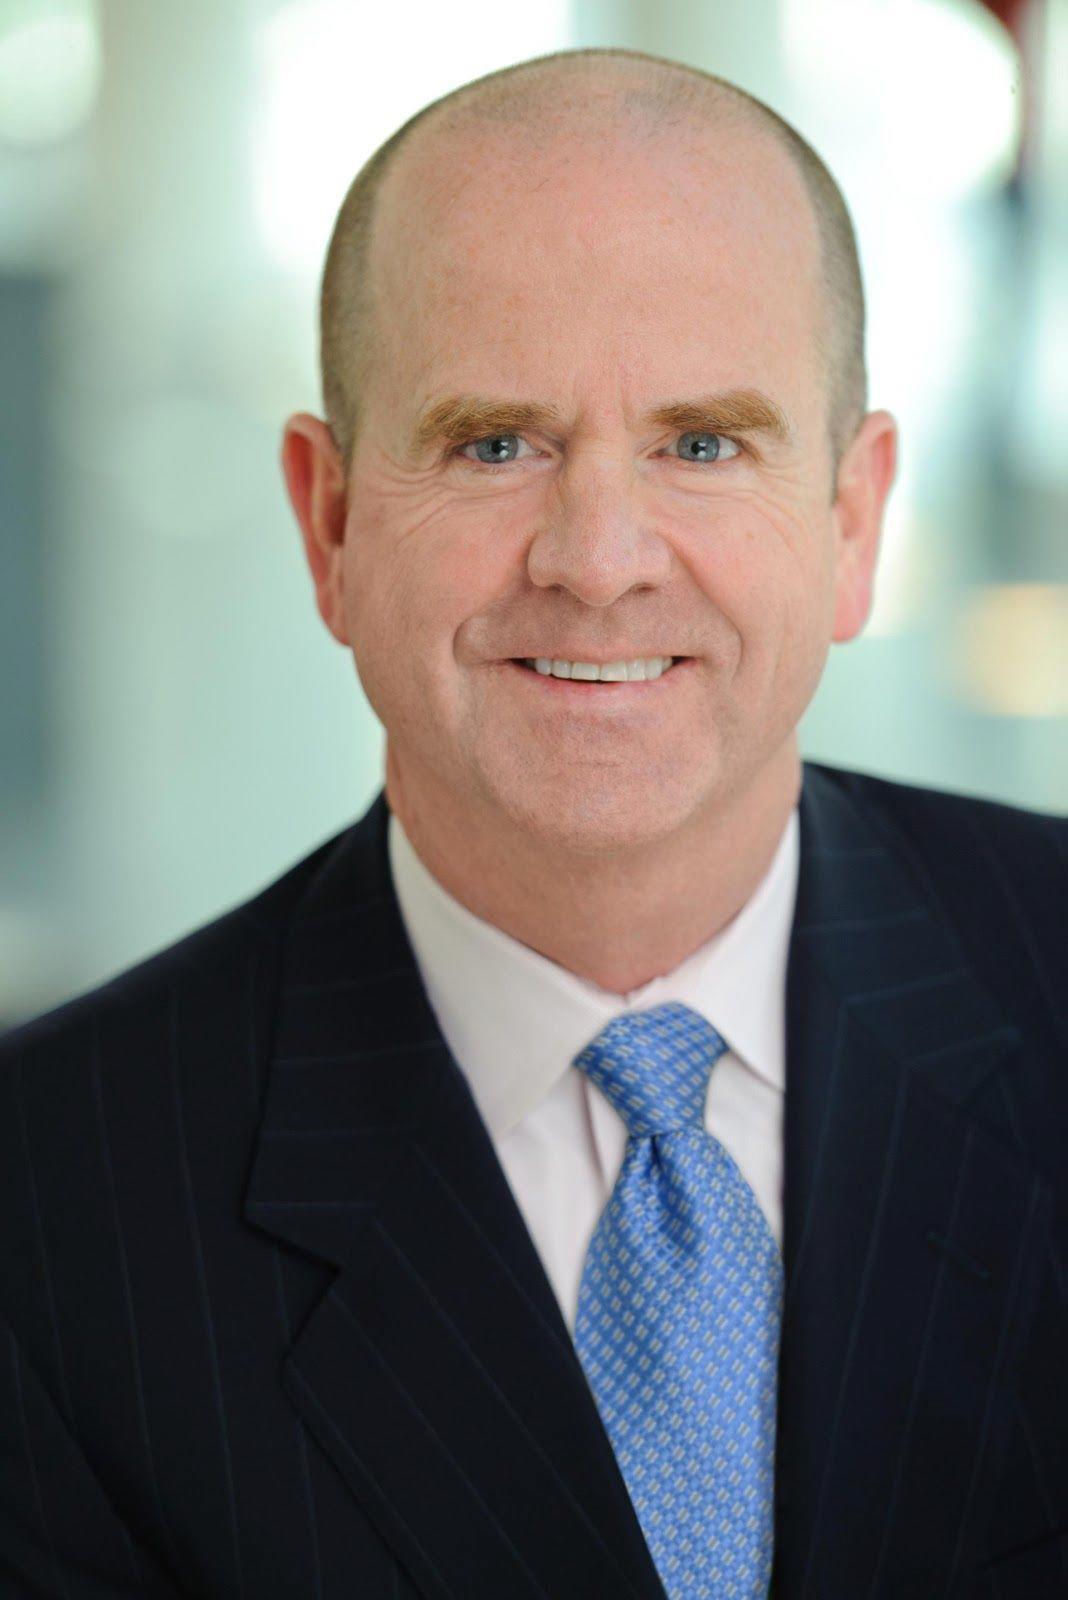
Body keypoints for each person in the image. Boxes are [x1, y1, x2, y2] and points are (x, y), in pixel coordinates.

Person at [1, 44, 1064, 1600]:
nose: (599, 557)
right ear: (332, 522)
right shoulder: (49, 1211)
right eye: (495, 443)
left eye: (703, 443)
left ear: (852, 521)